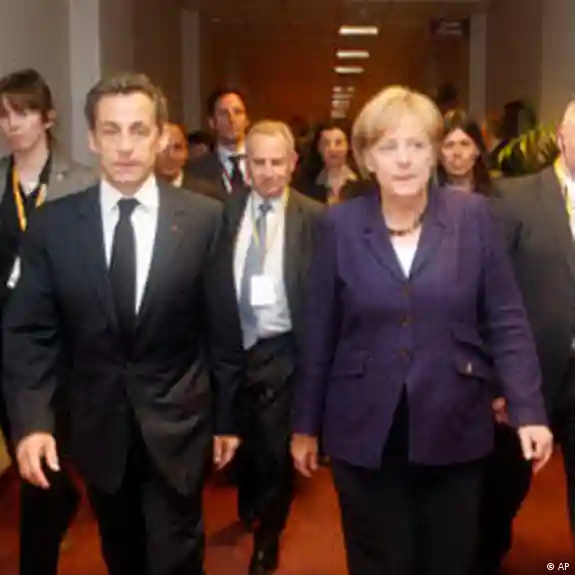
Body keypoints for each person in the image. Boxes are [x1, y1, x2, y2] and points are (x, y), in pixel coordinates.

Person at [290, 85, 553, 575]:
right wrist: (305, 425)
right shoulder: (339, 225)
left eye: (416, 144)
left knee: (449, 558)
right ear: (367, 158)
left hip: (454, 419)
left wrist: (529, 410)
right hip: (363, 425)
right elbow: (319, 328)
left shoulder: (473, 217)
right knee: (381, 560)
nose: (404, 159)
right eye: (389, 146)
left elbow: (506, 317)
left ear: (434, 152)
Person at [2, 72, 240, 575]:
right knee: (121, 552)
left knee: (176, 556)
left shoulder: (205, 219)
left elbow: (221, 329)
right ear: (92, 138)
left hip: (179, 423)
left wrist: (227, 419)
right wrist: (33, 423)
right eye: (111, 131)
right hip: (97, 427)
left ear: (159, 137)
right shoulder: (53, 226)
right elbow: (30, 332)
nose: (126, 146)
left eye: (138, 130)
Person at [208, 120, 323, 574]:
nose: (270, 171)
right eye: (259, 162)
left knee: (275, 450)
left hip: (283, 350)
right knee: (240, 441)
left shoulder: (316, 219)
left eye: (278, 161)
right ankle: (250, 496)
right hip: (231, 348)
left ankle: (268, 537)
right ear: (246, 166)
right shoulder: (221, 213)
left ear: (293, 163)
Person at [0, 67, 95, 575]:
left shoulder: (80, 183)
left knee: (43, 459)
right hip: (6, 343)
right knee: (27, 456)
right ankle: (62, 502)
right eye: (3, 115)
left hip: (59, 348)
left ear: (48, 118)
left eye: (23, 113)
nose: (11, 124)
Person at [438, 109, 533, 573]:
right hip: (442, 353)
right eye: (448, 145)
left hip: (493, 349)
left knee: (504, 468)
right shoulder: (421, 202)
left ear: (478, 149)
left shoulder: (502, 208)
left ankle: (488, 547)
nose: (457, 154)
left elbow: (512, 295)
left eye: (464, 144)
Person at [495, 95, 575, 539]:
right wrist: (497, 383)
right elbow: (490, 294)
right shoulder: (515, 199)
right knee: (503, 491)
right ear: (561, 137)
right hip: (529, 375)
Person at [188, 87, 250, 201]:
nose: (232, 119)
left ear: (246, 120)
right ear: (212, 122)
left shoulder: (265, 161)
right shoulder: (196, 171)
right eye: (223, 114)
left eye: (238, 112)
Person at [296, 120, 364, 204]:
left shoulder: (362, 179)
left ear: (349, 146)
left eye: (338, 143)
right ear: (318, 148)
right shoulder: (304, 183)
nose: (332, 149)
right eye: (326, 143)